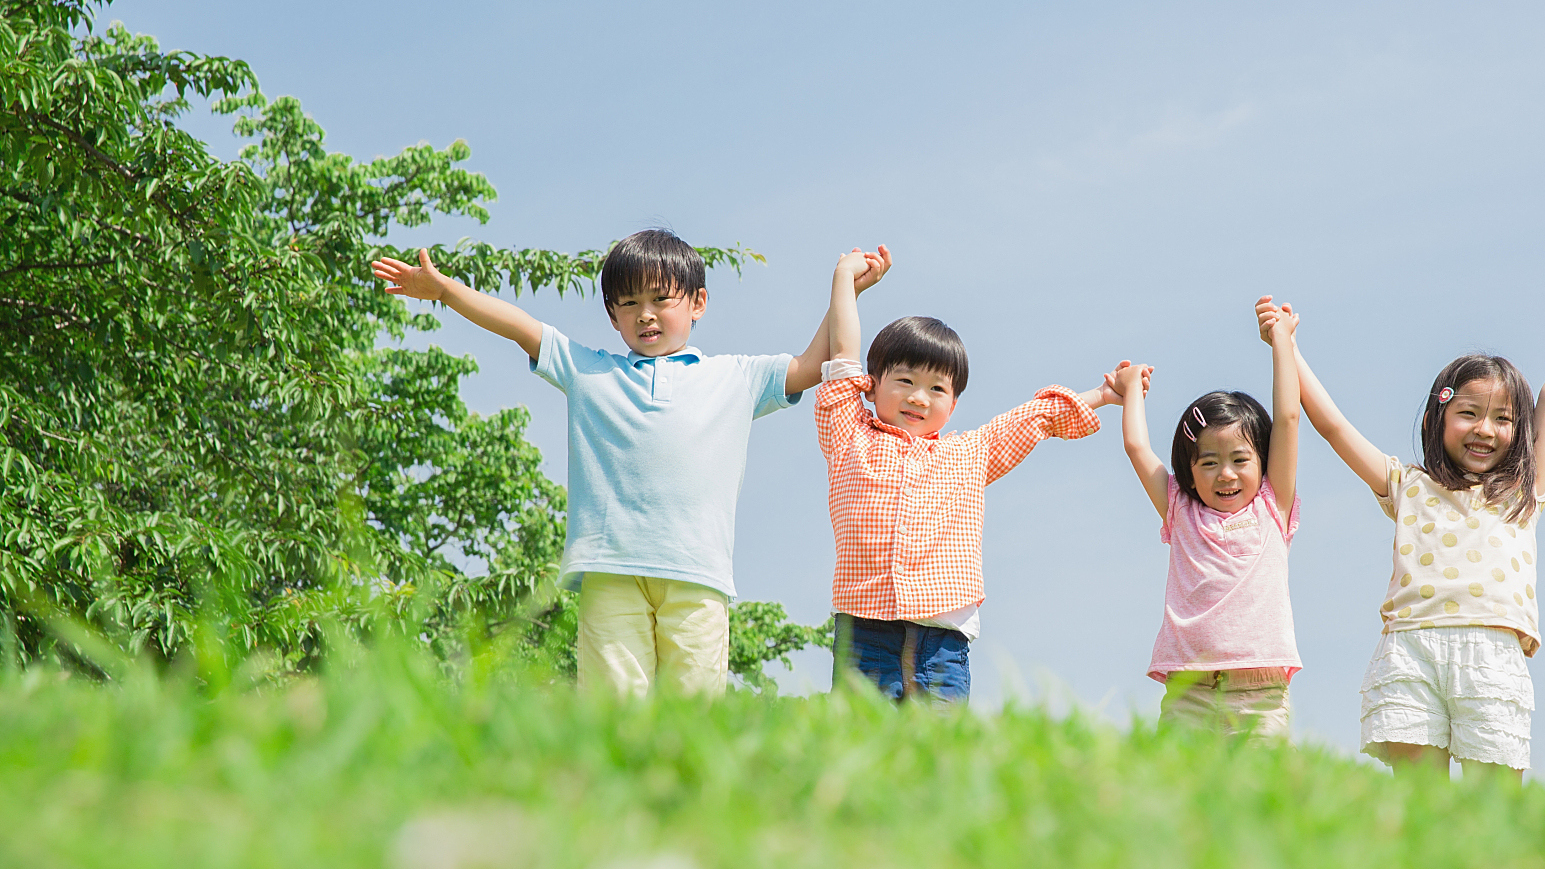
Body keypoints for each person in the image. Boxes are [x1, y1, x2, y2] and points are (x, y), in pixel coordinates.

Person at [370, 231, 888, 697]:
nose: (646, 314)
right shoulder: (589, 371)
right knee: (613, 709)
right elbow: (520, 327)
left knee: (694, 713)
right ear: (612, 316)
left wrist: (847, 289)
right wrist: (445, 291)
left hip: (697, 573)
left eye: (662, 299)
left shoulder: (736, 378)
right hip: (611, 569)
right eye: (630, 303)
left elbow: (817, 362)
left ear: (698, 303)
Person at [1263, 270, 1545, 780]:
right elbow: (1333, 426)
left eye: (1502, 419)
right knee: (1418, 800)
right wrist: (1287, 345)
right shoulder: (1408, 485)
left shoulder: (1522, 491)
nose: (1485, 430)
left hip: (1492, 654)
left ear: (1519, 433)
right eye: (1469, 412)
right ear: (1436, 420)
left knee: (1491, 802)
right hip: (1411, 649)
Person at [814, 249, 1122, 702]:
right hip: (865, 629)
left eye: (937, 388)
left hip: (942, 639)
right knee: (864, 743)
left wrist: (1101, 394)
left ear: (953, 404)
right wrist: (844, 281)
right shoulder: (849, 435)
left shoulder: (969, 452)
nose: (920, 397)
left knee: (939, 752)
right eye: (905, 380)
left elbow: (1032, 418)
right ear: (872, 383)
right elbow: (843, 357)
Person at [1116, 299, 1303, 737]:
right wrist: (1130, 392)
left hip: (1260, 691)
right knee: (1179, 795)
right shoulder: (1180, 510)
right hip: (1190, 691)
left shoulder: (1271, 507)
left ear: (1262, 461)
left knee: (1265, 799)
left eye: (1240, 458)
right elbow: (1137, 449)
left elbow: (1290, 419)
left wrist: (1281, 340)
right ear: (1189, 469)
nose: (1226, 474)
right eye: (1209, 462)